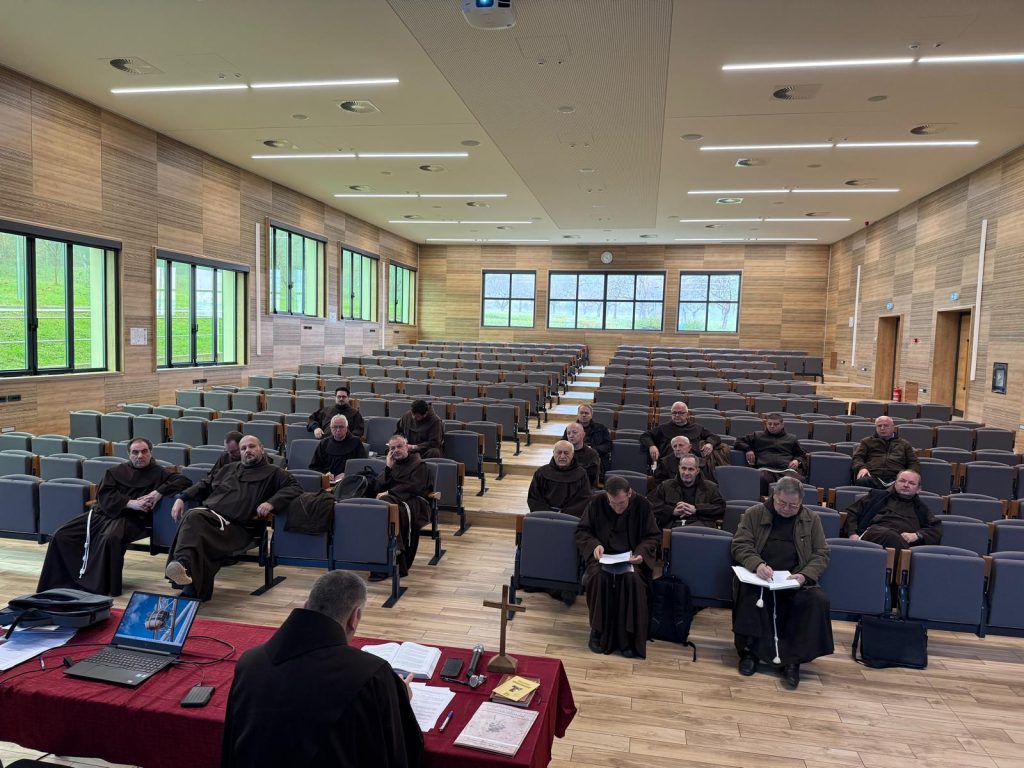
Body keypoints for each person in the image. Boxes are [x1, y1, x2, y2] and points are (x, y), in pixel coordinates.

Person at [221, 570, 423, 768]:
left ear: (306, 605)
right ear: (355, 617)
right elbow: (400, 751)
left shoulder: (249, 662)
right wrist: (399, 695)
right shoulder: (372, 675)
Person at [37, 437, 190, 596]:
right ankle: (64, 580)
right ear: (129, 454)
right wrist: (130, 503)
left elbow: (184, 481)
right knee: (61, 535)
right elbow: (104, 497)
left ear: (150, 453)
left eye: (144, 451)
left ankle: (100, 586)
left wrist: (158, 492)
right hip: (102, 514)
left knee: (110, 538)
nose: (140, 456)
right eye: (135, 452)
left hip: (131, 519)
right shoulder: (115, 471)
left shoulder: (159, 473)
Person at [165, 435, 302, 601]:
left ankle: (184, 568)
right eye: (243, 448)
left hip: (238, 529)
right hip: (211, 519)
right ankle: (190, 583)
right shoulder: (228, 468)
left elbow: (295, 487)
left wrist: (271, 502)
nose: (247, 451)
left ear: (262, 448)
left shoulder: (275, 473)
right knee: (196, 529)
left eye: (251, 446)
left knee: (193, 517)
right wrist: (182, 497)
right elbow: (204, 484)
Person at [731, 477, 833, 689]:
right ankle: (750, 653)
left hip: (794, 579)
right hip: (760, 576)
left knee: (817, 600)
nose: (787, 509)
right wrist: (757, 564)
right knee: (748, 592)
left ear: (801, 502)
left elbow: (821, 554)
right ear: (773, 497)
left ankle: (793, 660)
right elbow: (740, 545)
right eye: (782, 503)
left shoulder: (811, 519)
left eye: (793, 505)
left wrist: (804, 575)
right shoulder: (754, 513)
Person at [575, 476, 660, 658]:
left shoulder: (642, 505)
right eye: (612, 503)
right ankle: (597, 631)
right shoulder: (596, 502)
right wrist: (594, 545)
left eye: (621, 503)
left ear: (629, 494)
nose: (617, 508)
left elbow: (652, 536)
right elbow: (583, 531)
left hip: (631, 558)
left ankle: (628, 637)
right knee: (598, 578)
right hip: (602, 557)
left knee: (632, 580)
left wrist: (641, 553)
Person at [375, 435, 432, 575]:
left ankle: (396, 551)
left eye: (399, 446)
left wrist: (389, 492)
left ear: (407, 447)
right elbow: (378, 487)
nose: (396, 450)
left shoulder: (419, 464)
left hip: (414, 501)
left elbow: (415, 487)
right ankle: (387, 553)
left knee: (385, 503)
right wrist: (388, 468)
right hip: (392, 501)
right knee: (383, 506)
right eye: (392, 448)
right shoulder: (392, 464)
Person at [841, 470, 941, 550]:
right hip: (874, 536)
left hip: (903, 543)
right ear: (895, 483)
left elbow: (935, 529)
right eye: (902, 481)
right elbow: (852, 513)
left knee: (896, 539)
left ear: (919, 489)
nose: (906, 485)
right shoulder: (876, 496)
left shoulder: (922, 508)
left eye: (911, 483)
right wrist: (852, 534)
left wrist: (917, 535)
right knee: (889, 535)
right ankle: (905, 563)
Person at [734, 413, 808, 495]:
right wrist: (748, 450)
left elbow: (801, 454)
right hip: (765, 468)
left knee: (799, 481)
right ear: (766, 424)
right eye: (769, 424)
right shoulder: (757, 435)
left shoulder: (792, 438)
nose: (772, 426)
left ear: (782, 425)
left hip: (786, 470)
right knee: (759, 479)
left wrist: (797, 460)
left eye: (775, 424)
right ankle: (762, 501)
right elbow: (738, 441)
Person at [647, 454, 726, 529]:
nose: (686, 473)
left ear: (697, 471)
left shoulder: (711, 487)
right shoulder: (665, 486)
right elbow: (650, 505)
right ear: (679, 468)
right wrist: (672, 511)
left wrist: (696, 509)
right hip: (671, 528)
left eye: (691, 469)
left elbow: (720, 507)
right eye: (683, 468)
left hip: (701, 529)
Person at [640, 402, 723, 470]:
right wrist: (651, 446)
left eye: (680, 413)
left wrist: (710, 444)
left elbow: (715, 437)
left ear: (687, 414)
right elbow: (645, 436)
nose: (677, 415)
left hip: (692, 465)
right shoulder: (663, 428)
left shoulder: (697, 428)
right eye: (674, 413)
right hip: (669, 465)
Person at [527, 440, 592, 518]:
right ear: (553, 453)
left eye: (566, 453)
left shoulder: (581, 474)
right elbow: (534, 497)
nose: (562, 456)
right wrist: (548, 513)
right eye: (559, 452)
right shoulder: (541, 472)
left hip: (570, 517)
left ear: (572, 454)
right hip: (544, 516)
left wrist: (563, 513)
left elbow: (583, 500)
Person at [852, 416, 920, 488]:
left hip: (896, 478)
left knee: (906, 485)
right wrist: (861, 468)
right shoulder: (866, 442)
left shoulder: (904, 444)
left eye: (886, 425)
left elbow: (913, 462)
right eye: (879, 426)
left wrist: (909, 475)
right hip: (872, 475)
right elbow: (857, 458)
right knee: (862, 481)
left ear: (893, 427)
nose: (882, 428)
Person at [309, 415, 368, 483]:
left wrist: (347, 474)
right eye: (335, 427)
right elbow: (314, 467)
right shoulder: (324, 443)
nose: (338, 430)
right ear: (330, 428)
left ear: (346, 428)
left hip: (350, 482)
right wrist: (325, 474)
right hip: (328, 483)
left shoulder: (356, 442)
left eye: (341, 427)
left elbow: (362, 466)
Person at [565, 404, 612, 477]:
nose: (584, 415)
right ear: (577, 415)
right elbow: (564, 443)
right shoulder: (570, 428)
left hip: (596, 457)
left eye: (586, 413)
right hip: (575, 457)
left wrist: (593, 450)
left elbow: (608, 445)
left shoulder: (601, 428)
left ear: (591, 415)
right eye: (581, 413)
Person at [565, 422, 601, 487]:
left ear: (583, 434)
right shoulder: (563, 452)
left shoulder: (592, 454)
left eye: (574, 432)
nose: (571, 436)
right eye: (568, 433)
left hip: (585, 487)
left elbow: (591, 474)